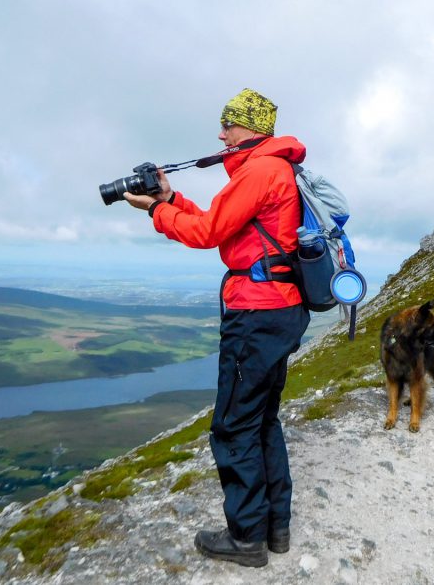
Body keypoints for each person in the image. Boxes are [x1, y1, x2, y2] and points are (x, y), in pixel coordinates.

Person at [123, 88, 310, 568]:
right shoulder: (273, 168)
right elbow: (220, 222)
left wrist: (154, 211)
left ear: (252, 129)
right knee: (261, 419)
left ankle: (247, 538)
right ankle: (276, 528)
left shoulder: (261, 170)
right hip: (279, 307)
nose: (221, 134)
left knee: (233, 425)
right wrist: (171, 199)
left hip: (256, 312)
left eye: (228, 125)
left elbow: (207, 234)